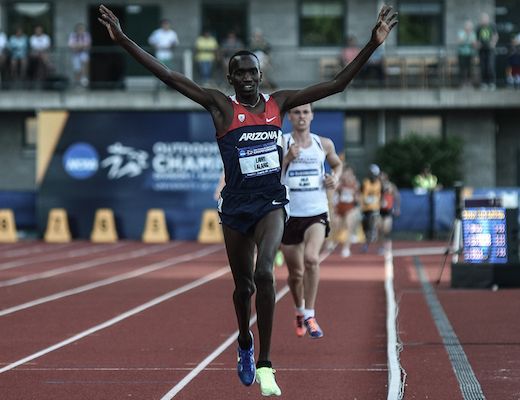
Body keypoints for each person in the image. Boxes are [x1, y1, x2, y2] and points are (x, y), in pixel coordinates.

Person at [98, 4, 397, 396]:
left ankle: (267, 363)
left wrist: (372, 46)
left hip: (272, 203)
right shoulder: (221, 107)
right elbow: (168, 75)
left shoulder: (280, 104)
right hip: (235, 208)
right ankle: (244, 341)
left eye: (252, 72)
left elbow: (337, 84)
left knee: (264, 274)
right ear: (231, 78)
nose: (247, 79)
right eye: (239, 73)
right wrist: (123, 40)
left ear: (261, 74)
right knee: (243, 289)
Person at [280, 103, 342, 339]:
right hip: (288, 214)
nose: (302, 116)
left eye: (306, 112)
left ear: (312, 115)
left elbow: (337, 164)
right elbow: (270, 172)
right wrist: (287, 158)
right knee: (295, 275)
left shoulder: (323, 143)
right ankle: (298, 309)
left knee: (312, 258)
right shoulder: (282, 142)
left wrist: (334, 177)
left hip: (316, 211)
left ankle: (310, 314)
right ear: (290, 117)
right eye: (297, 112)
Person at [333, 163, 362, 258]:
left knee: (349, 227)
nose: (348, 176)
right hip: (340, 209)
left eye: (350, 174)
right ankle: (332, 242)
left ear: (353, 175)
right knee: (338, 228)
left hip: (350, 209)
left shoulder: (355, 185)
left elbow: (359, 197)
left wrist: (359, 207)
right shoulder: (340, 184)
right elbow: (332, 193)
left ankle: (346, 248)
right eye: (346, 173)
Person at [377, 170, 401, 255]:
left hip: (388, 211)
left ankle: (386, 244)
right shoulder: (377, 185)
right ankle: (380, 246)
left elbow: (398, 197)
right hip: (379, 210)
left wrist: (397, 208)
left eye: (383, 176)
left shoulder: (391, 186)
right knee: (379, 229)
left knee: (386, 229)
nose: (381, 177)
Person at [360, 164, 381, 252]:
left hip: (375, 208)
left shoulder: (379, 184)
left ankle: (377, 246)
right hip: (365, 208)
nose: (370, 174)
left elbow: (382, 194)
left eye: (372, 173)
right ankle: (367, 242)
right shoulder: (365, 182)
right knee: (366, 227)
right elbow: (361, 193)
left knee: (373, 225)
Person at [476, 12, 499, 90]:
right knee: (483, 66)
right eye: (483, 19)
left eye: (485, 18)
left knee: (490, 65)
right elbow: (476, 38)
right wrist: (478, 44)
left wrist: (493, 43)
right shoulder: (479, 28)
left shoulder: (491, 26)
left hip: (490, 50)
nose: (484, 20)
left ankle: (492, 82)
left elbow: (496, 35)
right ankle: (484, 82)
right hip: (482, 50)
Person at [68, 23, 92, 88]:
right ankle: (78, 84)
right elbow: (71, 46)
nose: (81, 30)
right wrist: (81, 45)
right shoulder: (73, 35)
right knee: (77, 69)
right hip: (76, 55)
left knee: (85, 60)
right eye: (79, 29)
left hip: (84, 53)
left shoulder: (86, 35)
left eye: (82, 29)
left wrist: (78, 46)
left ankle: (84, 77)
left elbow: (88, 45)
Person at [457, 20, 477, 88]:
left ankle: (469, 82)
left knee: (469, 68)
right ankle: (462, 82)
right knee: (462, 68)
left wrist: (470, 36)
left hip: (470, 53)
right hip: (462, 53)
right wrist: (466, 35)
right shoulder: (461, 32)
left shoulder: (473, 33)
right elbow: (460, 42)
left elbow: (474, 43)